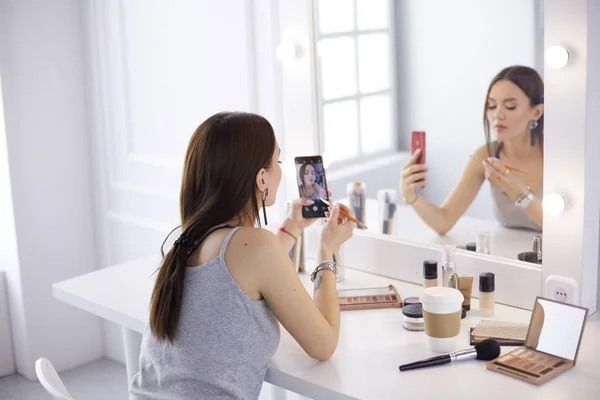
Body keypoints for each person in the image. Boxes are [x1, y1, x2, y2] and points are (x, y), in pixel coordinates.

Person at [129, 112, 354, 400]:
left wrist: (293, 226)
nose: (281, 171)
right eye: (278, 162)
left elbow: (249, 268)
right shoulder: (256, 248)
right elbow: (323, 345)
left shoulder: (189, 241)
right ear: (262, 178)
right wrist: (327, 250)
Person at [400, 65, 544, 234]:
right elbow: (444, 221)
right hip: (507, 253)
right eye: (491, 106)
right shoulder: (484, 155)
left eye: (510, 106)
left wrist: (518, 192)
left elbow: (562, 228)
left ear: (536, 113)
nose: (497, 115)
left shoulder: (560, 157)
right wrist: (412, 197)